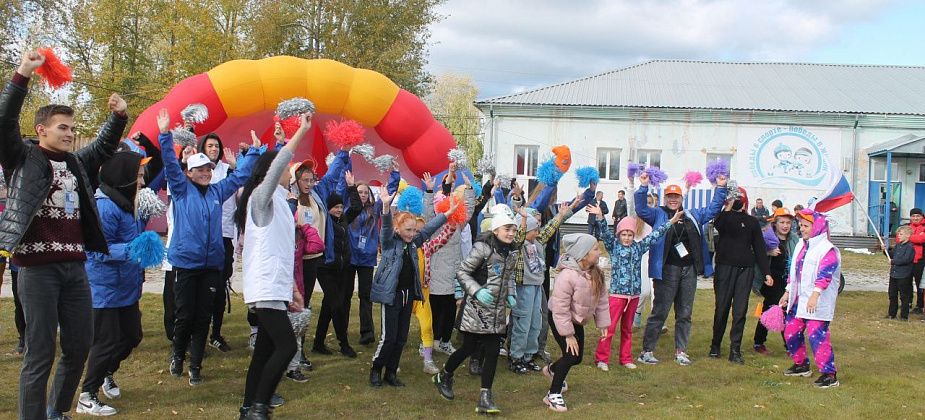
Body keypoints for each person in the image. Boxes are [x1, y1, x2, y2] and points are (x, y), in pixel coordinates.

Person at [1, 50, 129, 420]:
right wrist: (23, 73)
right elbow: (3, 119)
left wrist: (118, 117)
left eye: (73, 129)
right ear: (41, 129)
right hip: (37, 270)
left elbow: (104, 146)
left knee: (78, 347)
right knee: (40, 354)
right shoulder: (22, 159)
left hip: (75, 269)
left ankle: (57, 412)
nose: (70, 135)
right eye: (63, 128)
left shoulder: (75, 162)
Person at [158, 109, 259, 386]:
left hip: (211, 265)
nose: (205, 173)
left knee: (203, 316)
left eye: (208, 169)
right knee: (184, 314)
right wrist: (165, 135)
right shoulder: (180, 189)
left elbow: (239, 178)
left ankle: (196, 366)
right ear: (189, 173)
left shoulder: (216, 191)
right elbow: (169, 164)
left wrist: (253, 153)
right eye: (199, 169)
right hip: (185, 264)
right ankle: (178, 355)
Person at [235, 113, 311, 419]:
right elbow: (279, 164)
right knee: (286, 347)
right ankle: (259, 406)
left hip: (275, 286)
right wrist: (300, 132)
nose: (288, 171)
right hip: (264, 286)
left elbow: (281, 250)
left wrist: (291, 288)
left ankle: (248, 406)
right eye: (283, 166)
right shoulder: (261, 198)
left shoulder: (282, 201)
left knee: (266, 351)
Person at [77, 152, 151, 416]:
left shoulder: (127, 200)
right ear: (123, 176)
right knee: (105, 342)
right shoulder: (105, 206)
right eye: (138, 175)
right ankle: (87, 396)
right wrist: (133, 249)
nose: (142, 180)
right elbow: (95, 250)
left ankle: (106, 371)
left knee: (132, 336)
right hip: (104, 287)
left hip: (126, 285)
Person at [433, 204, 522, 414]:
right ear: (496, 230)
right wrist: (477, 291)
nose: (510, 233)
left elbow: (507, 276)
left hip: (497, 311)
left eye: (513, 229)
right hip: (477, 309)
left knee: (491, 351)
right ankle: (444, 375)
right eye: (506, 229)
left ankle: (485, 397)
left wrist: (510, 293)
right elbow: (462, 272)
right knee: (468, 348)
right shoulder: (482, 248)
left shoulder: (512, 252)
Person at [635, 172, 728, 366]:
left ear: (681, 198)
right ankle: (647, 351)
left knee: (685, 313)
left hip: (689, 271)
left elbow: (713, 209)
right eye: (669, 196)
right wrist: (643, 187)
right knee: (660, 311)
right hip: (666, 270)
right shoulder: (658, 214)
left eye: (676, 196)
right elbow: (641, 210)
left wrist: (720, 188)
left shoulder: (693, 215)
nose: (673, 199)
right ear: (665, 198)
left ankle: (681, 351)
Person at [369, 187, 454, 387]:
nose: (412, 233)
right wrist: (386, 206)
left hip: (408, 295)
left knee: (401, 338)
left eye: (414, 230)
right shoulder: (390, 242)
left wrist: (446, 215)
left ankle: (391, 372)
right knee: (388, 337)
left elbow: (428, 229)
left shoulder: (414, 242)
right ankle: (376, 369)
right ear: (398, 229)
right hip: (392, 295)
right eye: (408, 230)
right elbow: (386, 227)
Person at [593, 209, 681, 371]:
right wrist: (600, 216)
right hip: (617, 295)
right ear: (619, 234)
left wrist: (670, 222)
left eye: (630, 234)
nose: (627, 238)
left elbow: (655, 235)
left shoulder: (639, 248)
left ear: (634, 236)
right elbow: (605, 232)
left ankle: (625, 358)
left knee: (627, 329)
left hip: (633, 296)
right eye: (624, 234)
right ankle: (602, 358)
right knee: (609, 328)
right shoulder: (613, 247)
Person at [532, 233, 609, 412]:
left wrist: (603, 323)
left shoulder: (596, 273)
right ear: (583, 254)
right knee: (570, 356)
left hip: (576, 319)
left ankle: (552, 370)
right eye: (595, 249)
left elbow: (602, 300)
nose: (599, 252)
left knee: (578, 357)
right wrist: (568, 335)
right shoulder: (567, 276)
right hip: (560, 317)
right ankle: (553, 395)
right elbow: (560, 308)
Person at [508, 202, 575, 374]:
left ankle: (529, 356)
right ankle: (516, 357)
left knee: (535, 322)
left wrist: (560, 215)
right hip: (524, 287)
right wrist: (523, 219)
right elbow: (519, 235)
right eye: (534, 230)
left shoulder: (537, 240)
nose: (537, 232)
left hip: (537, 286)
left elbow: (550, 228)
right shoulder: (518, 243)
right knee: (523, 321)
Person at [780, 209, 841, 388]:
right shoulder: (801, 245)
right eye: (800, 225)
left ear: (817, 227)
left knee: (818, 338)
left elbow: (825, 275)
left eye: (806, 226)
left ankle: (829, 374)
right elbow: (795, 273)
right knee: (790, 331)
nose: (802, 229)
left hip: (817, 302)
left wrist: (815, 295)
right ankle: (801, 365)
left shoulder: (828, 250)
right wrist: (787, 292)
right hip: (799, 300)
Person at [709, 187, 772, 364]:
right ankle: (715, 345)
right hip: (724, 268)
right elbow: (719, 224)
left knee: (740, 311)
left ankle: (735, 349)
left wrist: (766, 272)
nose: (737, 201)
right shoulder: (724, 217)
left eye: (739, 198)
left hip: (745, 270)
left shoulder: (751, 221)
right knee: (721, 308)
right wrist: (727, 205)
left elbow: (759, 247)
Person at [311, 166, 362, 358]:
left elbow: (356, 207)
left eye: (341, 207)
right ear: (328, 208)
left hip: (342, 269)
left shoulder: (344, 220)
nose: (339, 210)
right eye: (336, 207)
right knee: (337, 305)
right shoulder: (325, 221)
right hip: (325, 268)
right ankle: (344, 344)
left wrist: (351, 188)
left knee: (328, 305)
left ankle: (318, 343)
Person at [425, 166, 476, 357]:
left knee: (449, 311)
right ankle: (430, 341)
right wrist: (430, 191)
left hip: (453, 274)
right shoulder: (435, 226)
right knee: (433, 311)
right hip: (437, 275)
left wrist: (469, 190)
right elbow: (428, 211)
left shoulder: (458, 225)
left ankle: (445, 341)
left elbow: (469, 211)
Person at [347, 168, 400, 346]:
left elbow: (390, 192)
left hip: (367, 259)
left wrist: (395, 174)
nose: (362, 195)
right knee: (345, 296)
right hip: (350, 257)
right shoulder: (349, 209)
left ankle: (367, 332)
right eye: (359, 192)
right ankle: (343, 330)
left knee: (365, 296)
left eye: (365, 192)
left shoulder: (374, 209)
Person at [753, 208, 799, 355]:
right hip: (770, 280)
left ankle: (758, 341)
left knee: (769, 309)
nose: (785, 226)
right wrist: (768, 252)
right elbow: (754, 254)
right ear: (775, 223)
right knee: (782, 309)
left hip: (787, 280)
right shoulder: (766, 237)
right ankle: (789, 345)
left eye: (788, 222)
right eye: (782, 222)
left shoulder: (794, 239)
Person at [887, 226, 915, 320]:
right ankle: (892, 314)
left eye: (901, 234)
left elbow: (906, 260)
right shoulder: (898, 246)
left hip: (904, 275)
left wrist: (893, 262)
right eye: (898, 234)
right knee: (892, 295)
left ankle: (904, 316)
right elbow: (892, 255)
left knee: (904, 296)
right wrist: (886, 250)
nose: (898, 236)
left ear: (907, 235)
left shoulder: (910, 247)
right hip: (894, 274)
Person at [908, 208, 925, 315]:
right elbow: (899, 238)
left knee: (920, 284)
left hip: (921, 260)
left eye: (917, 216)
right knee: (906, 283)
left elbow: (922, 240)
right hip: (908, 259)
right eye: (913, 216)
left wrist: (908, 237)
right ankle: (907, 302)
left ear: (922, 216)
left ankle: (920, 305)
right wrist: (916, 237)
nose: (915, 218)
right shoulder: (906, 226)